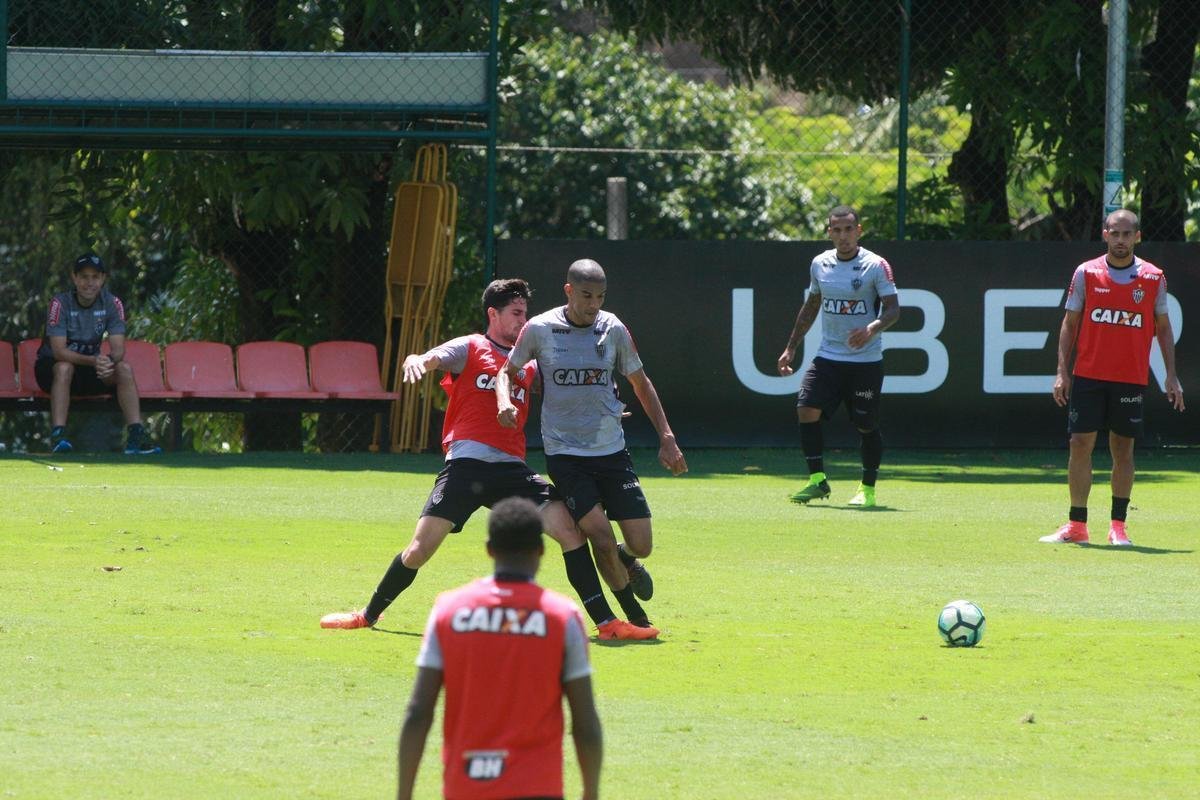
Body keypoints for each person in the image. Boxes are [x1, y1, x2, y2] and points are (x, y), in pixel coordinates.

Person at [320, 278, 656, 640]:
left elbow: (570, 388)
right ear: (492, 314)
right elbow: (434, 357)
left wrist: (598, 410)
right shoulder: (471, 347)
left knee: (570, 532)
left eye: (525, 313)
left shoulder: (527, 363)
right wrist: (418, 359)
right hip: (466, 467)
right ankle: (367, 615)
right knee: (419, 550)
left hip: (512, 472)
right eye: (515, 313)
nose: (522, 320)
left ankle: (608, 625)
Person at [496, 259, 687, 632]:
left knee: (641, 544)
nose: (593, 304)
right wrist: (504, 400)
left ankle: (625, 559)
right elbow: (508, 370)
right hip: (566, 454)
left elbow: (641, 383)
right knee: (599, 534)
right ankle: (632, 617)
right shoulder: (540, 328)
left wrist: (666, 436)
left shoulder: (612, 328)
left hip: (611, 451)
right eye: (586, 296)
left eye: (599, 296)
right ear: (569, 291)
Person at [397, 497, 602, 800]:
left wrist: (403, 795)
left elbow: (418, 712)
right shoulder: (562, 616)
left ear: (490, 548)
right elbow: (584, 722)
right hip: (537, 787)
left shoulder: (449, 611)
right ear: (541, 550)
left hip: (466, 787)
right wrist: (591, 793)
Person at [1040, 209, 1185, 546]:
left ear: (1138, 236)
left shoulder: (1152, 278)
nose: (1120, 240)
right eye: (1114, 233)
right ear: (1104, 234)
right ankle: (1077, 525)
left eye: (1127, 234)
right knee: (1079, 444)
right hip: (1089, 376)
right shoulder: (1086, 273)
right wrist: (1062, 371)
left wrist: (1171, 376)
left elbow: (1162, 328)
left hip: (1129, 378)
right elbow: (1069, 324)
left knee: (1123, 449)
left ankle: (1118, 526)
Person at [776, 205, 900, 507]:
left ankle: (867, 488)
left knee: (865, 424)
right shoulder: (820, 264)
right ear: (829, 232)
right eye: (837, 230)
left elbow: (893, 309)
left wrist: (872, 327)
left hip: (865, 361)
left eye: (848, 229)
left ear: (859, 231)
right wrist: (791, 346)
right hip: (828, 358)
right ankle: (817, 481)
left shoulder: (876, 265)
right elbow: (811, 305)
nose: (843, 236)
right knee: (806, 408)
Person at [35, 253, 161, 455]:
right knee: (64, 367)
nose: (89, 283)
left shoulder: (112, 303)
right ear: (74, 278)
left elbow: (119, 349)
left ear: (103, 279)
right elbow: (59, 352)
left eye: (95, 277)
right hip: (51, 370)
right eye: (84, 277)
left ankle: (136, 437)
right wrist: (95, 361)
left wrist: (107, 362)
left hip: (89, 368)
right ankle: (58, 436)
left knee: (123, 369)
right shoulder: (60, 303)